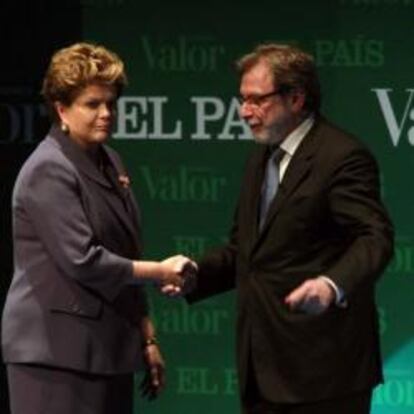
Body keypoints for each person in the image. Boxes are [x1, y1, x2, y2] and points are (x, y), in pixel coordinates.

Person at [185, 44, 394, 414]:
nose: (245, 112)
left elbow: (374, 237)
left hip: (325, 373)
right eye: (242, 100)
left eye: (256, 100)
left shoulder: (341, 156)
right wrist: (194, 274)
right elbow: (246, 251)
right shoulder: (259, 158)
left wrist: (331, 285)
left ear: (296, 98)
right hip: (263, 369)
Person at [1, 42, 195, 414]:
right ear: (62, 109)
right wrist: (159, 271)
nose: (106, 113)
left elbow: (125, 251)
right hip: (56, 355)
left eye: (111, 103)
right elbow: (83, 260)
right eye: (92, 104)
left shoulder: (110, 160)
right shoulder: (49, 168)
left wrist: (146, 336)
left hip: (107, 349)